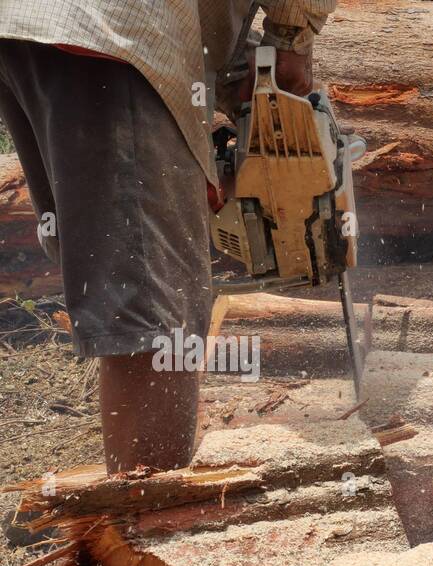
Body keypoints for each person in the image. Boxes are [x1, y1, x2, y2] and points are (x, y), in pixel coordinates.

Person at [0, 1, 337, 474]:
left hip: (39, 29)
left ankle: (133, 505)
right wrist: (291, 41)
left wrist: (240, 75)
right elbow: (287, 56)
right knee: (159, 322)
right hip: (117, 35)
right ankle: (148, 526)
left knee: (125, 297)